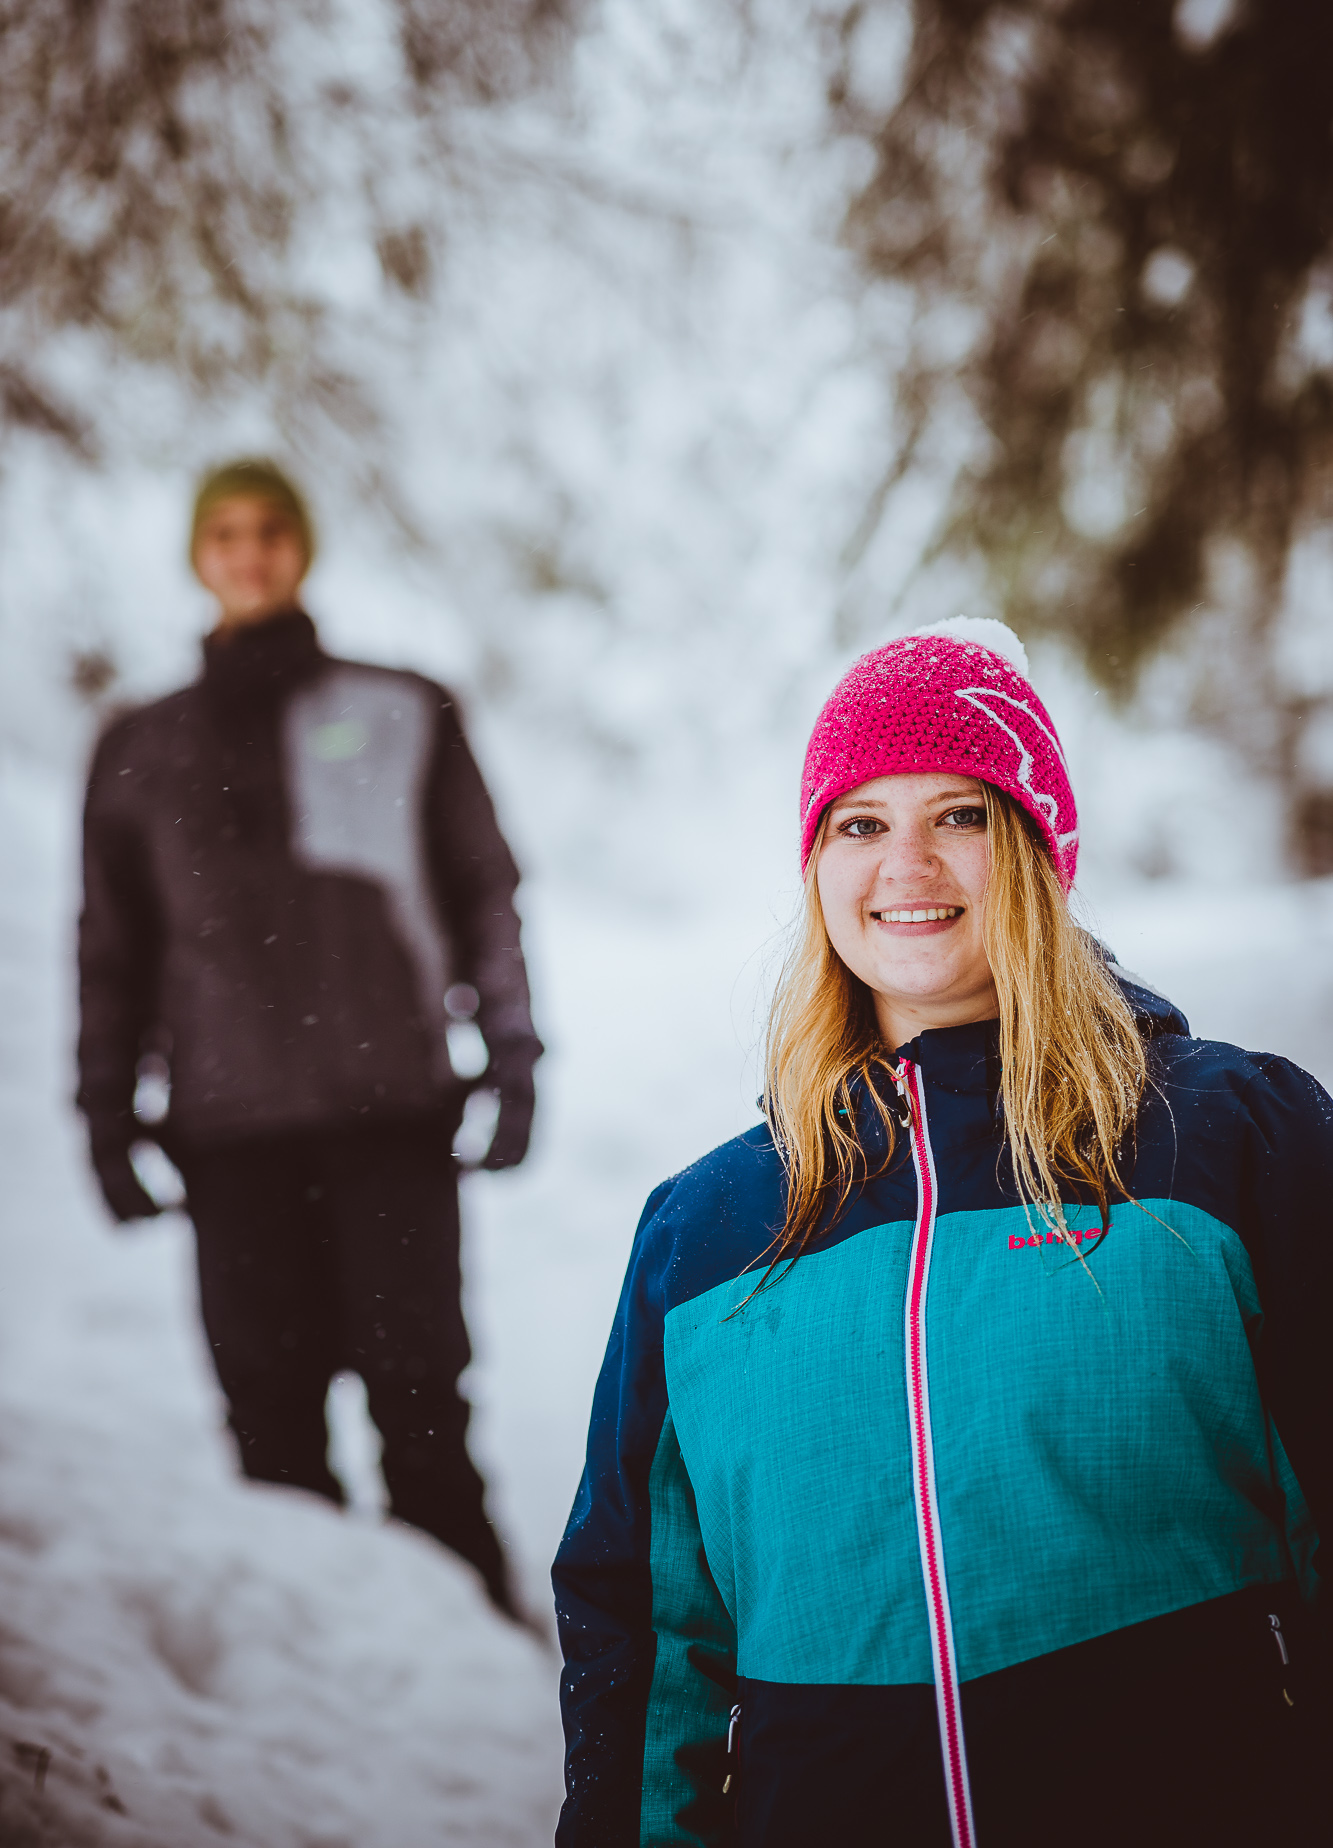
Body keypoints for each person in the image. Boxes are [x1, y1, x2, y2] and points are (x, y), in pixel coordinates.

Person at [551, 618, 1329, 1846]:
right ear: (816, 867)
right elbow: (642, 1625)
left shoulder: (1230, 1142)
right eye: (860, 822)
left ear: (1034, 847)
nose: (904, 860)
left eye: (959, 813)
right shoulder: (704, 1236)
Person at [78, 458, 542, 1620]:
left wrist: (517, 1052)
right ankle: (317, 1701)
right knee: (271, 1429)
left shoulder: (404, 706)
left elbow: (485, 889)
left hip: (391, 1115)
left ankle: (482, 1668)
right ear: (198, 552)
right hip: (230, 1135)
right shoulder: (137, 743)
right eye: (224, 530)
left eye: (270, 528)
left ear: (302, 546)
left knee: (424, 1412)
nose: (248, 551)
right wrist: (100, 1111)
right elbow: (110, 946)